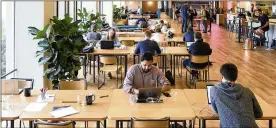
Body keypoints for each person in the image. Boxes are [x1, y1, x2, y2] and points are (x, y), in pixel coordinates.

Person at [210, 63, 263, 127]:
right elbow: (259, 114)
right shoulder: (247, 91)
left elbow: (216, 110)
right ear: (236, 76)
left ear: (222, 76)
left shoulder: (215, 90)